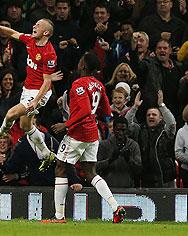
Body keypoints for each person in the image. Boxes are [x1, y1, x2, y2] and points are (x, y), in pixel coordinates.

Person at [42, 52, 126, 223]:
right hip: (93, 133)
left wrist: (66, 124)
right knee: (90, 172)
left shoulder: (79, 84)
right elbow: (106, 111)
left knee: (60, 167)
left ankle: (59, 217)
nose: (78, 62)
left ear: (84, 66)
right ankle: (116, 207)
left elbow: (85, 110)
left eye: (80, 60)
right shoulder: (98, 85)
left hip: (78, 133)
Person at [0, 18, 62, 171]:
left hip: (39, 93)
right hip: (27, 89)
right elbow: (13, 33)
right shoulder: (31, 40)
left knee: (11, 114)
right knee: (26, 126)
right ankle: (47, 154)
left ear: (45, 32)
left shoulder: (49, 53)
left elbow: (47, 82)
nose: (34, 25)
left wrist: (36, 101)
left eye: (38, 25)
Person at [125, 90, 177, 187]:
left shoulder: (165, 132)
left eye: (154, 114)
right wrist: (135, 107)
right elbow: (126, 124)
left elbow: (172, 123)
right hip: (145, 177)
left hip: (165, 176)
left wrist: (161, 105)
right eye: (148, 115)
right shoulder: (140, 130)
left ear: (161, 118)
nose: (151, 116)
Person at [97, 116, 142, 188]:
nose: (121, 133)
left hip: (128, 188)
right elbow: (96, 167)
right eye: (118, 130)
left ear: (127, 130)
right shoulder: (104, 145)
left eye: (123, 130)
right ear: (113, 130)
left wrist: (129, 159)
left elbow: (139, 169)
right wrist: (110, 160)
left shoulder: (133, 145)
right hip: (108, 188)